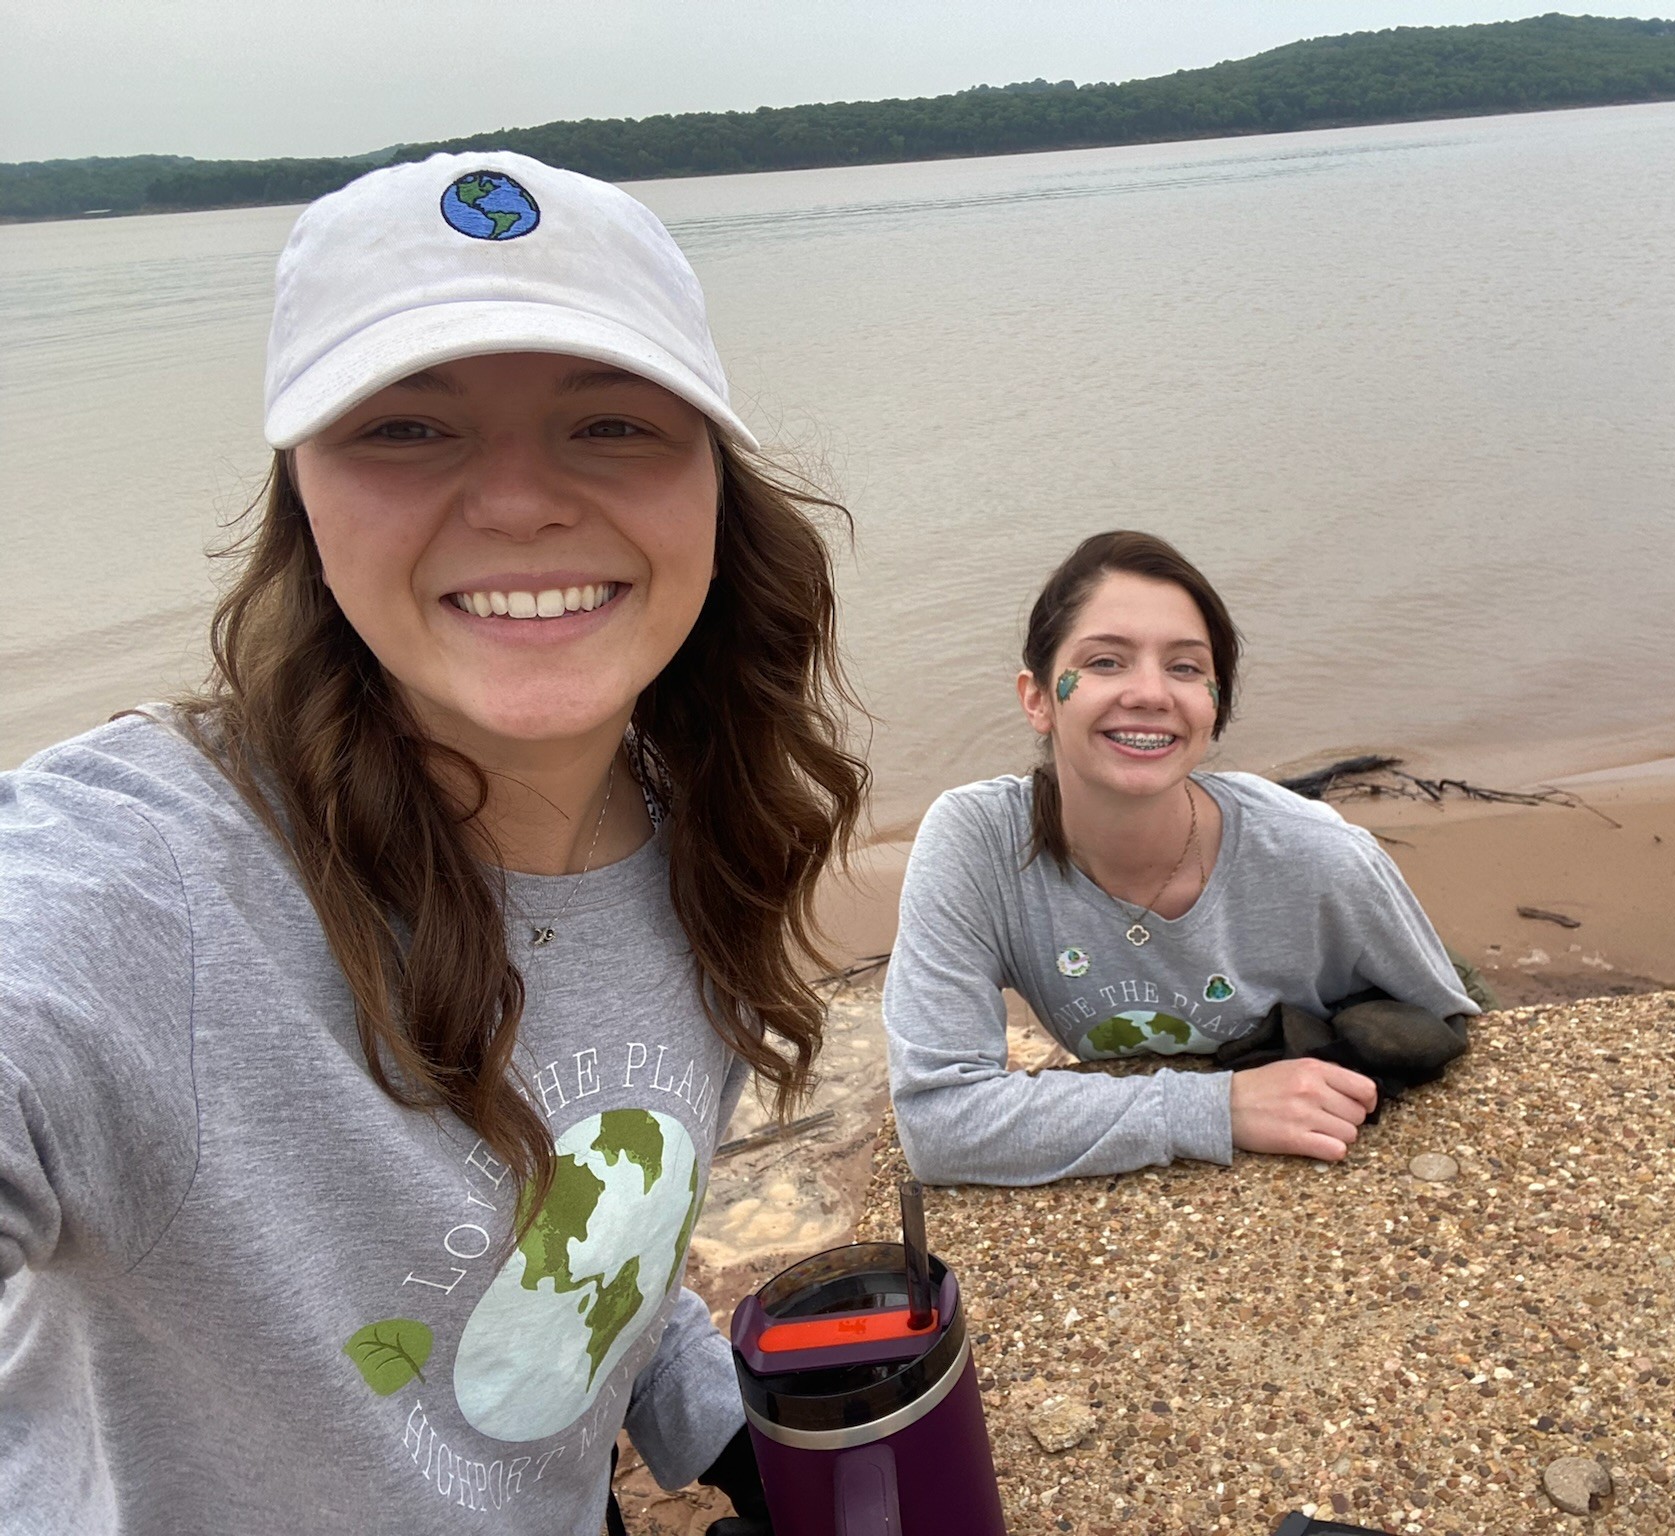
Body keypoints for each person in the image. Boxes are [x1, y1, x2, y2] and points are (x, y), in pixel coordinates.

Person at [0, 152, 865, 1534]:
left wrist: (730, 1433)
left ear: (714, 483)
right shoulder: (142, 883)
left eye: (612, 424)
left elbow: (578, 1221)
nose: (518, 502)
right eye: (407, 429)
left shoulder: (700, 821)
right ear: (304, 503)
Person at [884, 530, 1478, 1186]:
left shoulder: (1323, 859)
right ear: (1038, 697)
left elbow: (1453, 1029)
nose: (1151, 693)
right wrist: (1218, 1108)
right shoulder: (980, 846)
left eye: (1187, 667)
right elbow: (940, 1120)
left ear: (1214, 707)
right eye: (1107, 661)